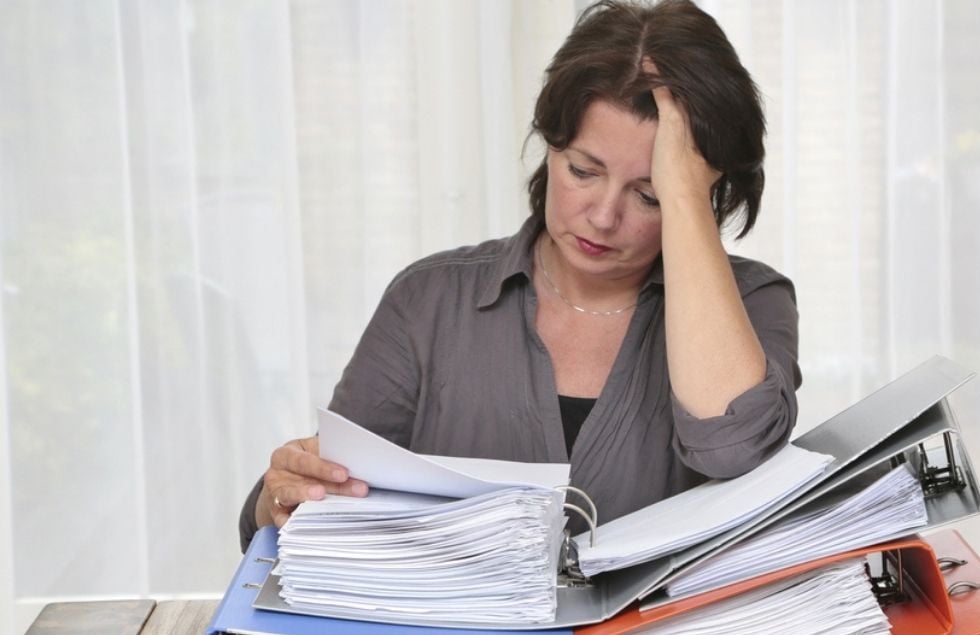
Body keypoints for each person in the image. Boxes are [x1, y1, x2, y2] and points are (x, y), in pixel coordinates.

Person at [239, 0, 800, 552]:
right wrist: (282, 495)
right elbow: (314, 503)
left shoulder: (755, 302)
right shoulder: (430, 300)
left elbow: (734, 449)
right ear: (548, 150)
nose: (604, 217)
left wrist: (685, 194)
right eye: (583, 170)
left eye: (649, 194)